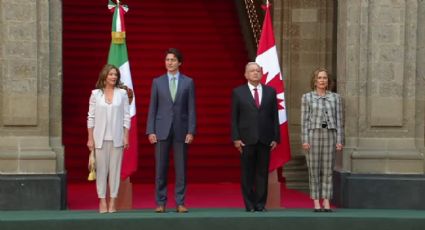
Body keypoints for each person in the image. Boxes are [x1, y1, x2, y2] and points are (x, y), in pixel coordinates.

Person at [146, 48, 196, 213]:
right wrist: (150, 131)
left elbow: (191, 109)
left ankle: (180, 202)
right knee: (160, 168)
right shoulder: (157, 82)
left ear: (179, 62)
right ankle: (161, 203)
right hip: (161, 130)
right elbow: (153, 108)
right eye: (167, 60)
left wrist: (191, 130)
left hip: (181, 130)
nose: (170, 63)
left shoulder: (188, 82)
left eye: (173, 60)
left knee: (181, 169)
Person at [231, 62, 280, 212]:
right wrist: (236, 138)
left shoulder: (270, 92)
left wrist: (276, 138)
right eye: (252, 71)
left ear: (261, 73)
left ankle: (260, 204)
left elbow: (274, 117)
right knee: (247, 174)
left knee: (262, 173)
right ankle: (249, 204)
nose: (255, 73)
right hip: (246, 139)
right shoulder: (238, 92)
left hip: (265, 139)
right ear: (246, 74)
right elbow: (234, 118)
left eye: (258, 71)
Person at [87, 64, 130, 213]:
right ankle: (102, 201)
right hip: (99, 139)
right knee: (101, 172)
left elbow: (126, 117)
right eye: (111, 74)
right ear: (104, 76)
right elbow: (90, 118)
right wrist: (90, 139)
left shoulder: (122, 94)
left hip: (117, 139)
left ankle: (113, 201)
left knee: (115, 171)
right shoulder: (95, 94)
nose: (113, 77)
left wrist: (126, 136)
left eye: (115, 75)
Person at [301, 67, 344, 212]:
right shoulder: (307, 97)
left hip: (330, 135)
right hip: (313, 135)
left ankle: (326, 200)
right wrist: (305, 140)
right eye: (319, 78)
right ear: (314, 81)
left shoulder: (335, 98)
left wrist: (339, 140)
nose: (322, 80)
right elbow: (304, 120)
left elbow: (339, 120)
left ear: (328, 81)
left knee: (327, 170)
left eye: (325, 78)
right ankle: (316, 202)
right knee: (314, 169)